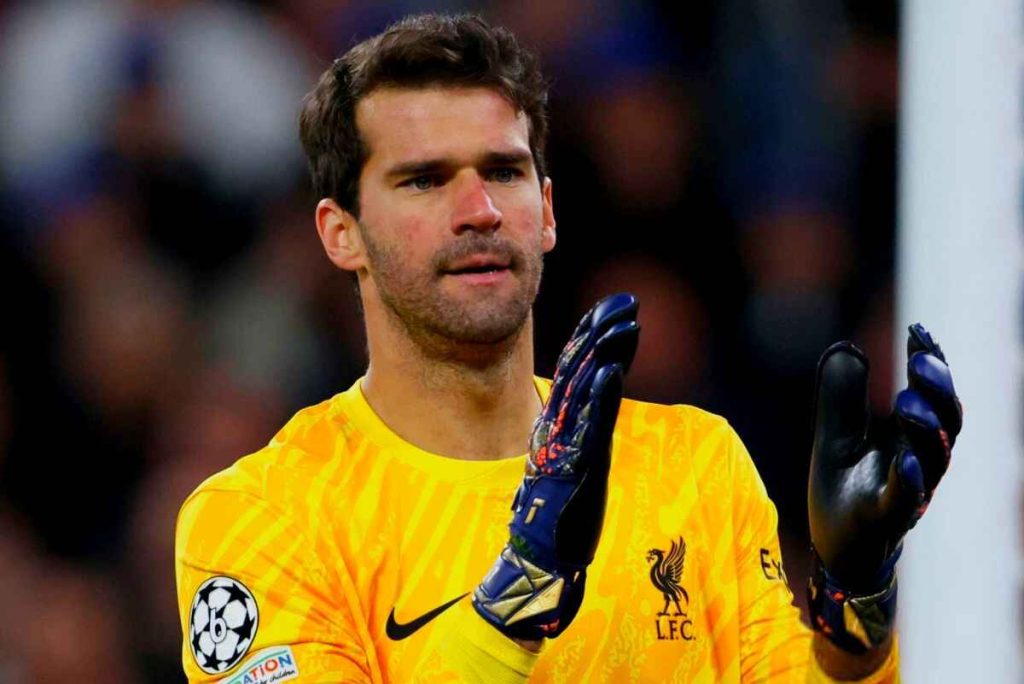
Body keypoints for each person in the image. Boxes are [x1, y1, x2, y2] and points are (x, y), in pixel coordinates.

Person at [175, 14, 961, 683]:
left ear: (546, 211)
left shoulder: (691, 465)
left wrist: (858, 608)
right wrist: (519, 591)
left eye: (504, 171)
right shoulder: (263, 518)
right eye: (424, 180)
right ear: (340, 233)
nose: (479, 208)